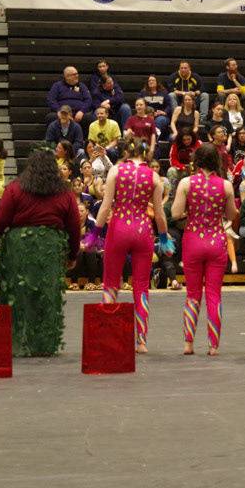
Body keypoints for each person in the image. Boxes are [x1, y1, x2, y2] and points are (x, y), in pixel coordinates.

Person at [0, 147, 80, 358]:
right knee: (46, 294)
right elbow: (74, 226)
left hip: (18, 247)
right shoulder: (65, 192)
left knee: (17, 293)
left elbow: (1, 220)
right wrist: (72, 255)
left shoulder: (15, 188)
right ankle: (44, 343)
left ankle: (16, 342)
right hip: (50, 247)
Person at [96, 134, 167, 354]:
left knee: (110, 283)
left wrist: (95, 233)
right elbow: (159, 214)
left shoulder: (116, 171)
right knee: (141, 286)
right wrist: (164, 239)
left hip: (119, 227)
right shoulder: (154, 177)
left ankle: (105, 336)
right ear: (144, 153)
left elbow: (105, 206)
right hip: (143, 230)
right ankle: (141, 342)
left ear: (126, 152)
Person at [173, 142, 236, 356]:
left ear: (196, 161)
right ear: (216, 161)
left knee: (192, 294)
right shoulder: (226, 186)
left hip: (193, 240)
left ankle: (188, 344)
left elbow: (175, 213)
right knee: (214, 295)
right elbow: (231, 215)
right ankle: (213, 346)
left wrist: (188, 209)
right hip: (216, 241)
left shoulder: (186, 183)